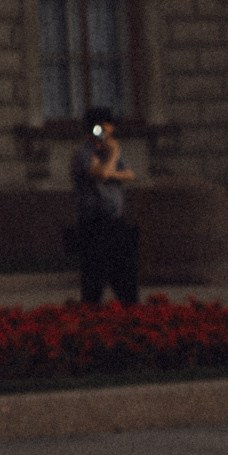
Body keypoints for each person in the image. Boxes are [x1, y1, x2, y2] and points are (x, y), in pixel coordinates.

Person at [68, 107, 139, 306]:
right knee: (94, 277)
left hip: (115, 220)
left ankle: (130, 308)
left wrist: (110, 171)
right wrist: (114, 154)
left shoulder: (105, 152)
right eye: (107, 126)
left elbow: (129, 175)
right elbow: (100, 174)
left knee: (124, 273)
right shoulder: (83, 152)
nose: (111, 130)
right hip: (94, 222)